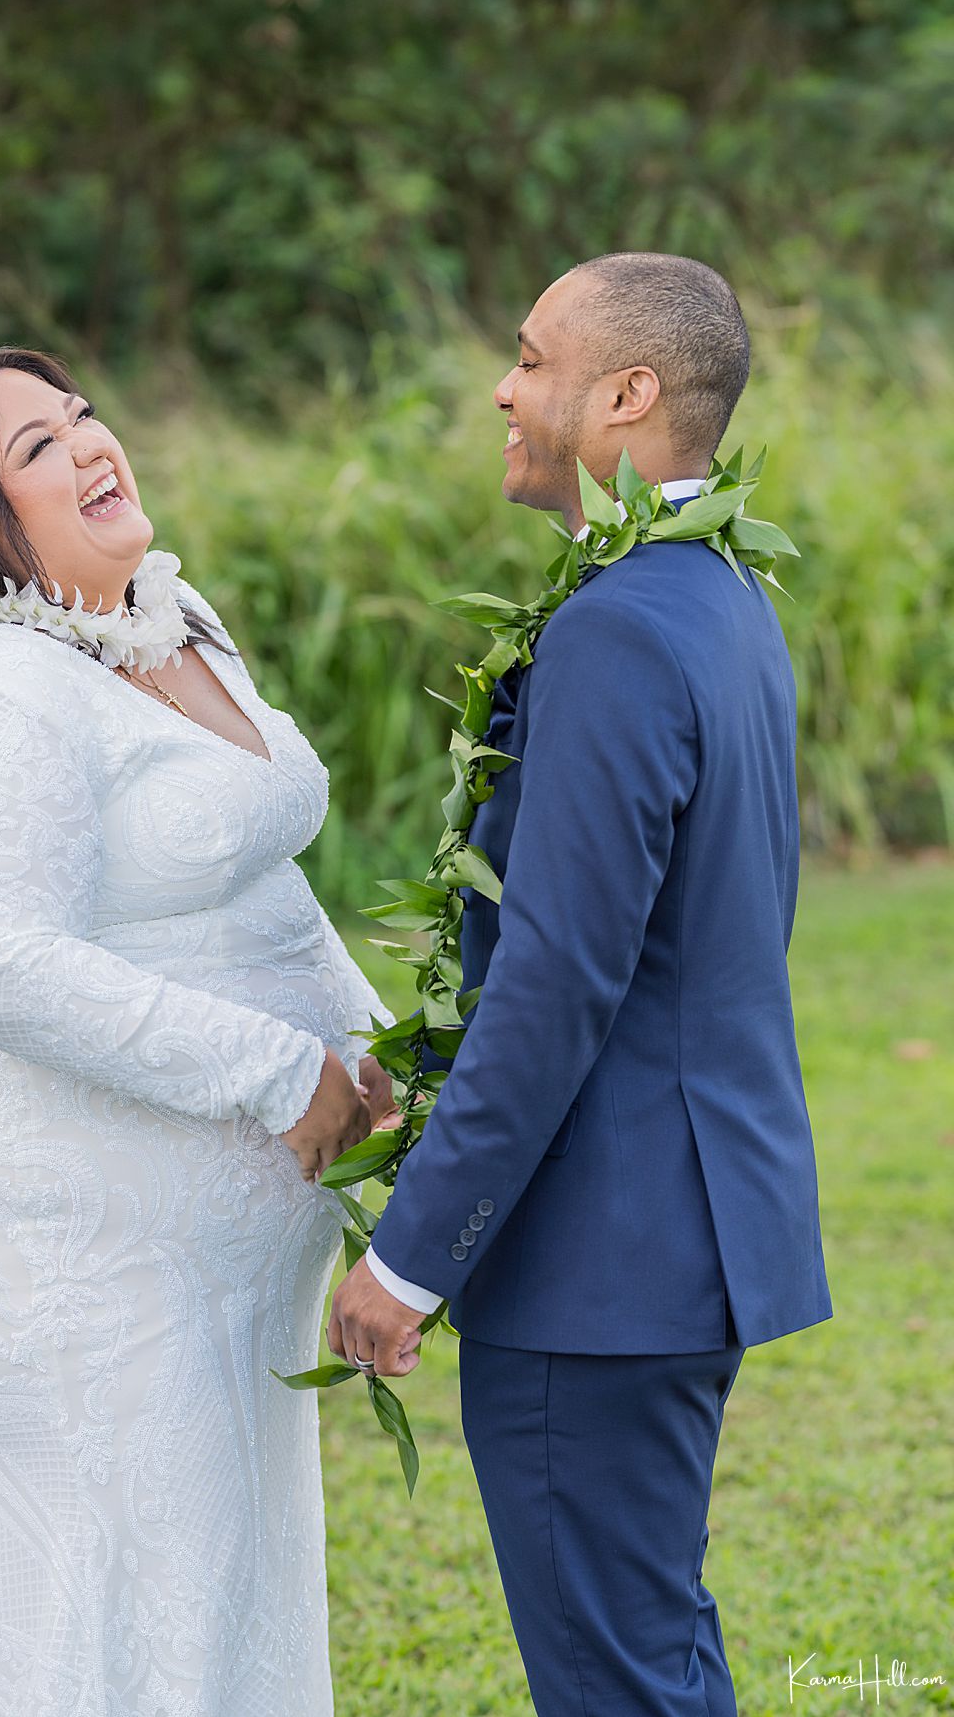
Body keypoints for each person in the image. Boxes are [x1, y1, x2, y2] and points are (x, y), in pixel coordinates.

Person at [0, 345, 399, 1716]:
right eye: (40, 448)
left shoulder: (169, 618)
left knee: (207, 1571)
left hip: (211, 1255)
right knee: (82, 1582)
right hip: (61, 1246)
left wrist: (380, 1047)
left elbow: (253, 888)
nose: (94, 447)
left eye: (84, 417)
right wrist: (281, 1071)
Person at [329, 252, 833, 1716]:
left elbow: (556, 985)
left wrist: (412, 1255)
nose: (504, 383)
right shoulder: (716, 596)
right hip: (694, 1227)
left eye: (532, 358)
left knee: (617, 1678)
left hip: (601, 1263)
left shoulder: (618, 626)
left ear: (625, 395)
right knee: (653, 1647)